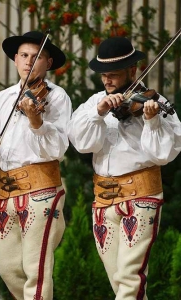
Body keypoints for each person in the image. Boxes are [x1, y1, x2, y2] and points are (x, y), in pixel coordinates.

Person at [67, 37, 181, 299]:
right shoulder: (95, 102)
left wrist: (152, 122)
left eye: (114, 75)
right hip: (103, 199)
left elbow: (164, 154)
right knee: (119, 280)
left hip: (141, 196)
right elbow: (82, 143)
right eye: (104, 75)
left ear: (133, 70)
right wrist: (98, 113)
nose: (107, 81)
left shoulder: (153, 102)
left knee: (130, 278)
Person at [0, 31, 72, 300]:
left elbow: (58, 147)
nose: (28, 62)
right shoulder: (2, 98)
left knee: (35, 269)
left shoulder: (57, 97)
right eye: (24, 56)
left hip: (43, 190)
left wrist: (36, 121)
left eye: (36, 57)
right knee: (8, 268)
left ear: (47, 64)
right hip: (6, 192)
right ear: (15, 59)